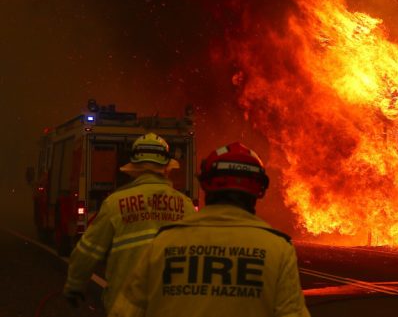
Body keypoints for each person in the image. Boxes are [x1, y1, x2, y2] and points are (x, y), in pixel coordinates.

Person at [109, 142, 310, 317]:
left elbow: (124, 312)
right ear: (259, 189)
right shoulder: (278, 249)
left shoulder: (163, 243)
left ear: (206, 184)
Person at [63, 133, 195, 312]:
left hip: (125, 307)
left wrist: (74, 286)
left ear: (134, 168)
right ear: (167, 168)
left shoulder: (114, 204)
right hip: (172, 307)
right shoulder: (186, 206)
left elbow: (87, 252)